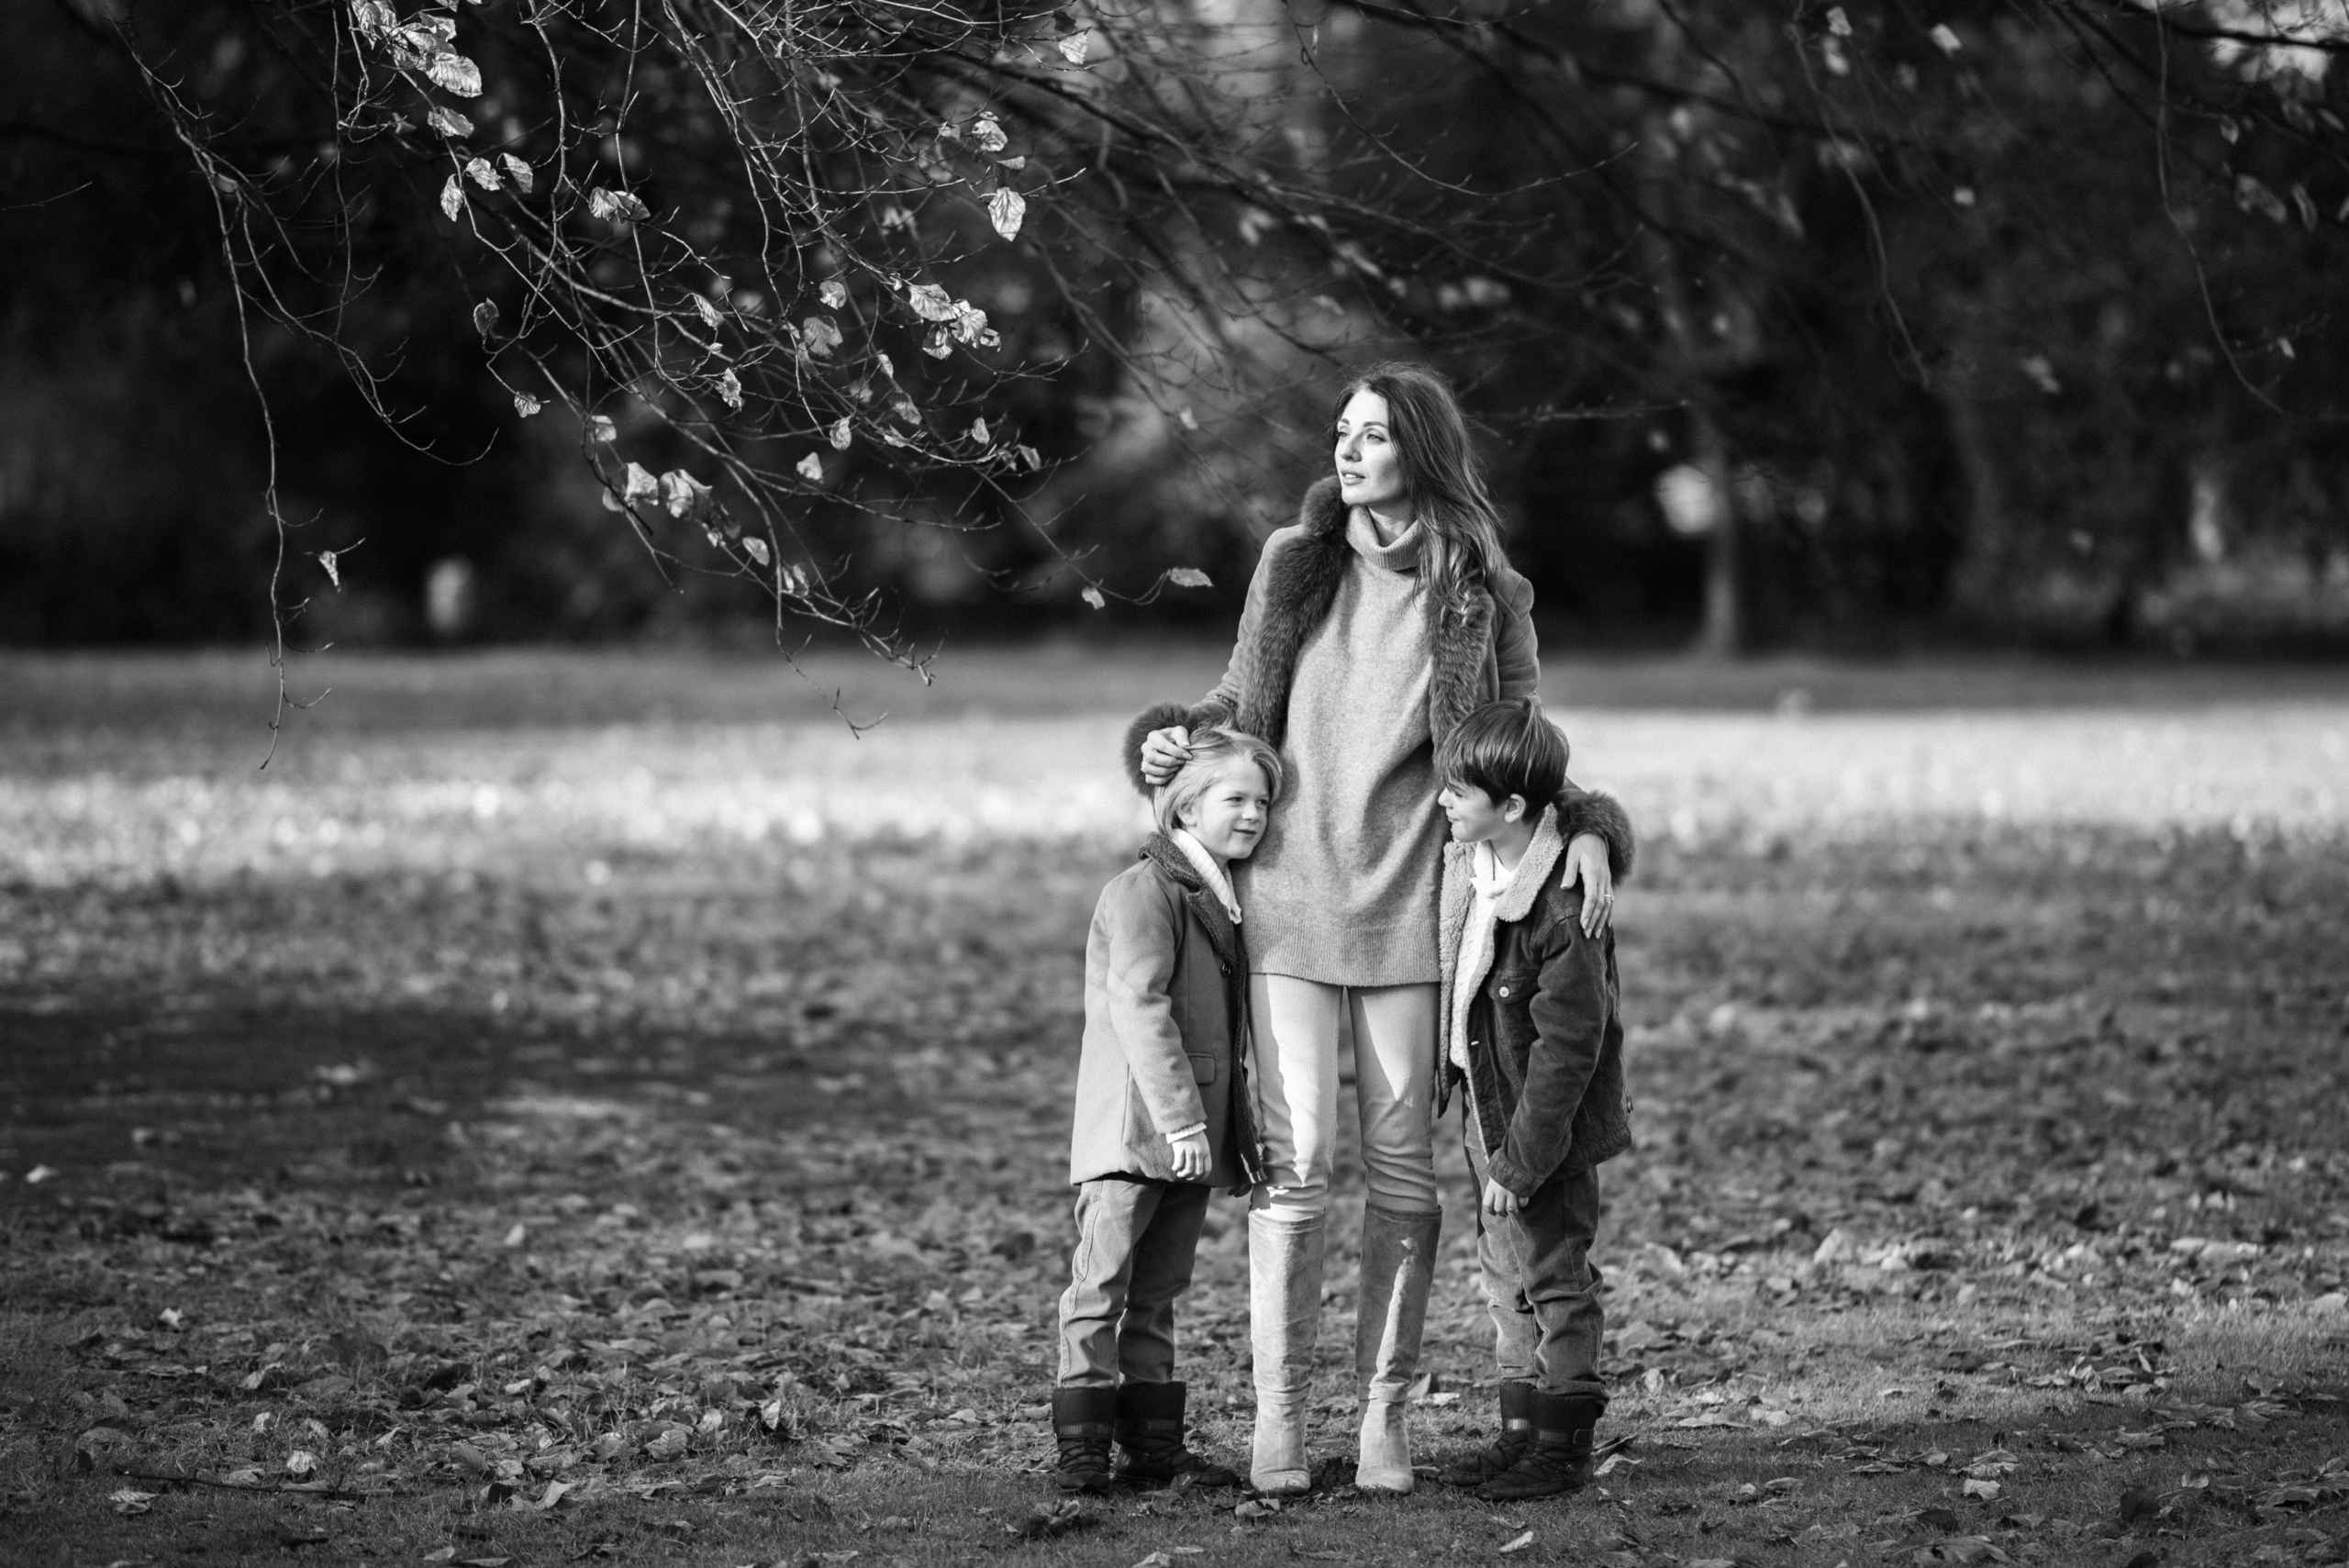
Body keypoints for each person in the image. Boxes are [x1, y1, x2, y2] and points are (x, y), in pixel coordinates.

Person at [1123, 362, 1634, 1495]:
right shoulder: (1292, 563)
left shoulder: (1481, 588)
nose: (1346, 452)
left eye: (1371, 436)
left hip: (1418, 914)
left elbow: (1521, 748)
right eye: (1340, 433)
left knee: (1402, 1170)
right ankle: (1281, 1417)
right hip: (1290, 910)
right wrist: (1173, 744)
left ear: (1421, 452)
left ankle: (1383, 1416)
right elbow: (1234, 708)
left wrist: (1589, 825)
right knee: (1295, 1169)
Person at [1052, 728, 1284, 1494]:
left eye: (1262, 800)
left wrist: (1219, 1131)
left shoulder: (1225, 894)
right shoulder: (1144, 889)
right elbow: (1138, 1003)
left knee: (1159, 1292)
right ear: (1186, 803)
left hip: (1194, 1137)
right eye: (1236, 798)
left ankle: (1153, 1443)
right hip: (1136, 1130)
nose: (1253, 814)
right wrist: (1183, 1117)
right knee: (1101, 1284)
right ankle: (1083, 1444)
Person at [1431, 698, 1631, 1501]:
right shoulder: (1476, 871)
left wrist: (1521, 1161)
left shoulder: (1561, 905)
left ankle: (1563, 1442)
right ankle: (1521, 1429)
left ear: (1512, 808)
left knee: (1556, 1278)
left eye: (1458, 792)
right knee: (1502, 1278)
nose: (1443, 801)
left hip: (1537, 1133)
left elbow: (1569, 1049)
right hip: (1491, 1117)